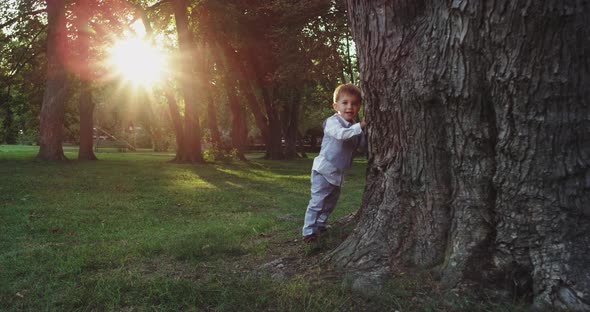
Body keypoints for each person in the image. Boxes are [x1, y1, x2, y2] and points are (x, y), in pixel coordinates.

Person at [302, 83, 366, 243]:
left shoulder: (353, 127)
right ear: (335, 105)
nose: (350, 107)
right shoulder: (332, 122)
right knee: (317, 202)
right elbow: (341, 135)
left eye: (355, 104)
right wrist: (361, 126)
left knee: (330, 202)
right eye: (345, 103)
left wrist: (365, 132)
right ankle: (308, 232)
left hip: (337, 174)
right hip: (323, 171)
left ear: (359, 107)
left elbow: (361, 145)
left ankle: (320, 225)